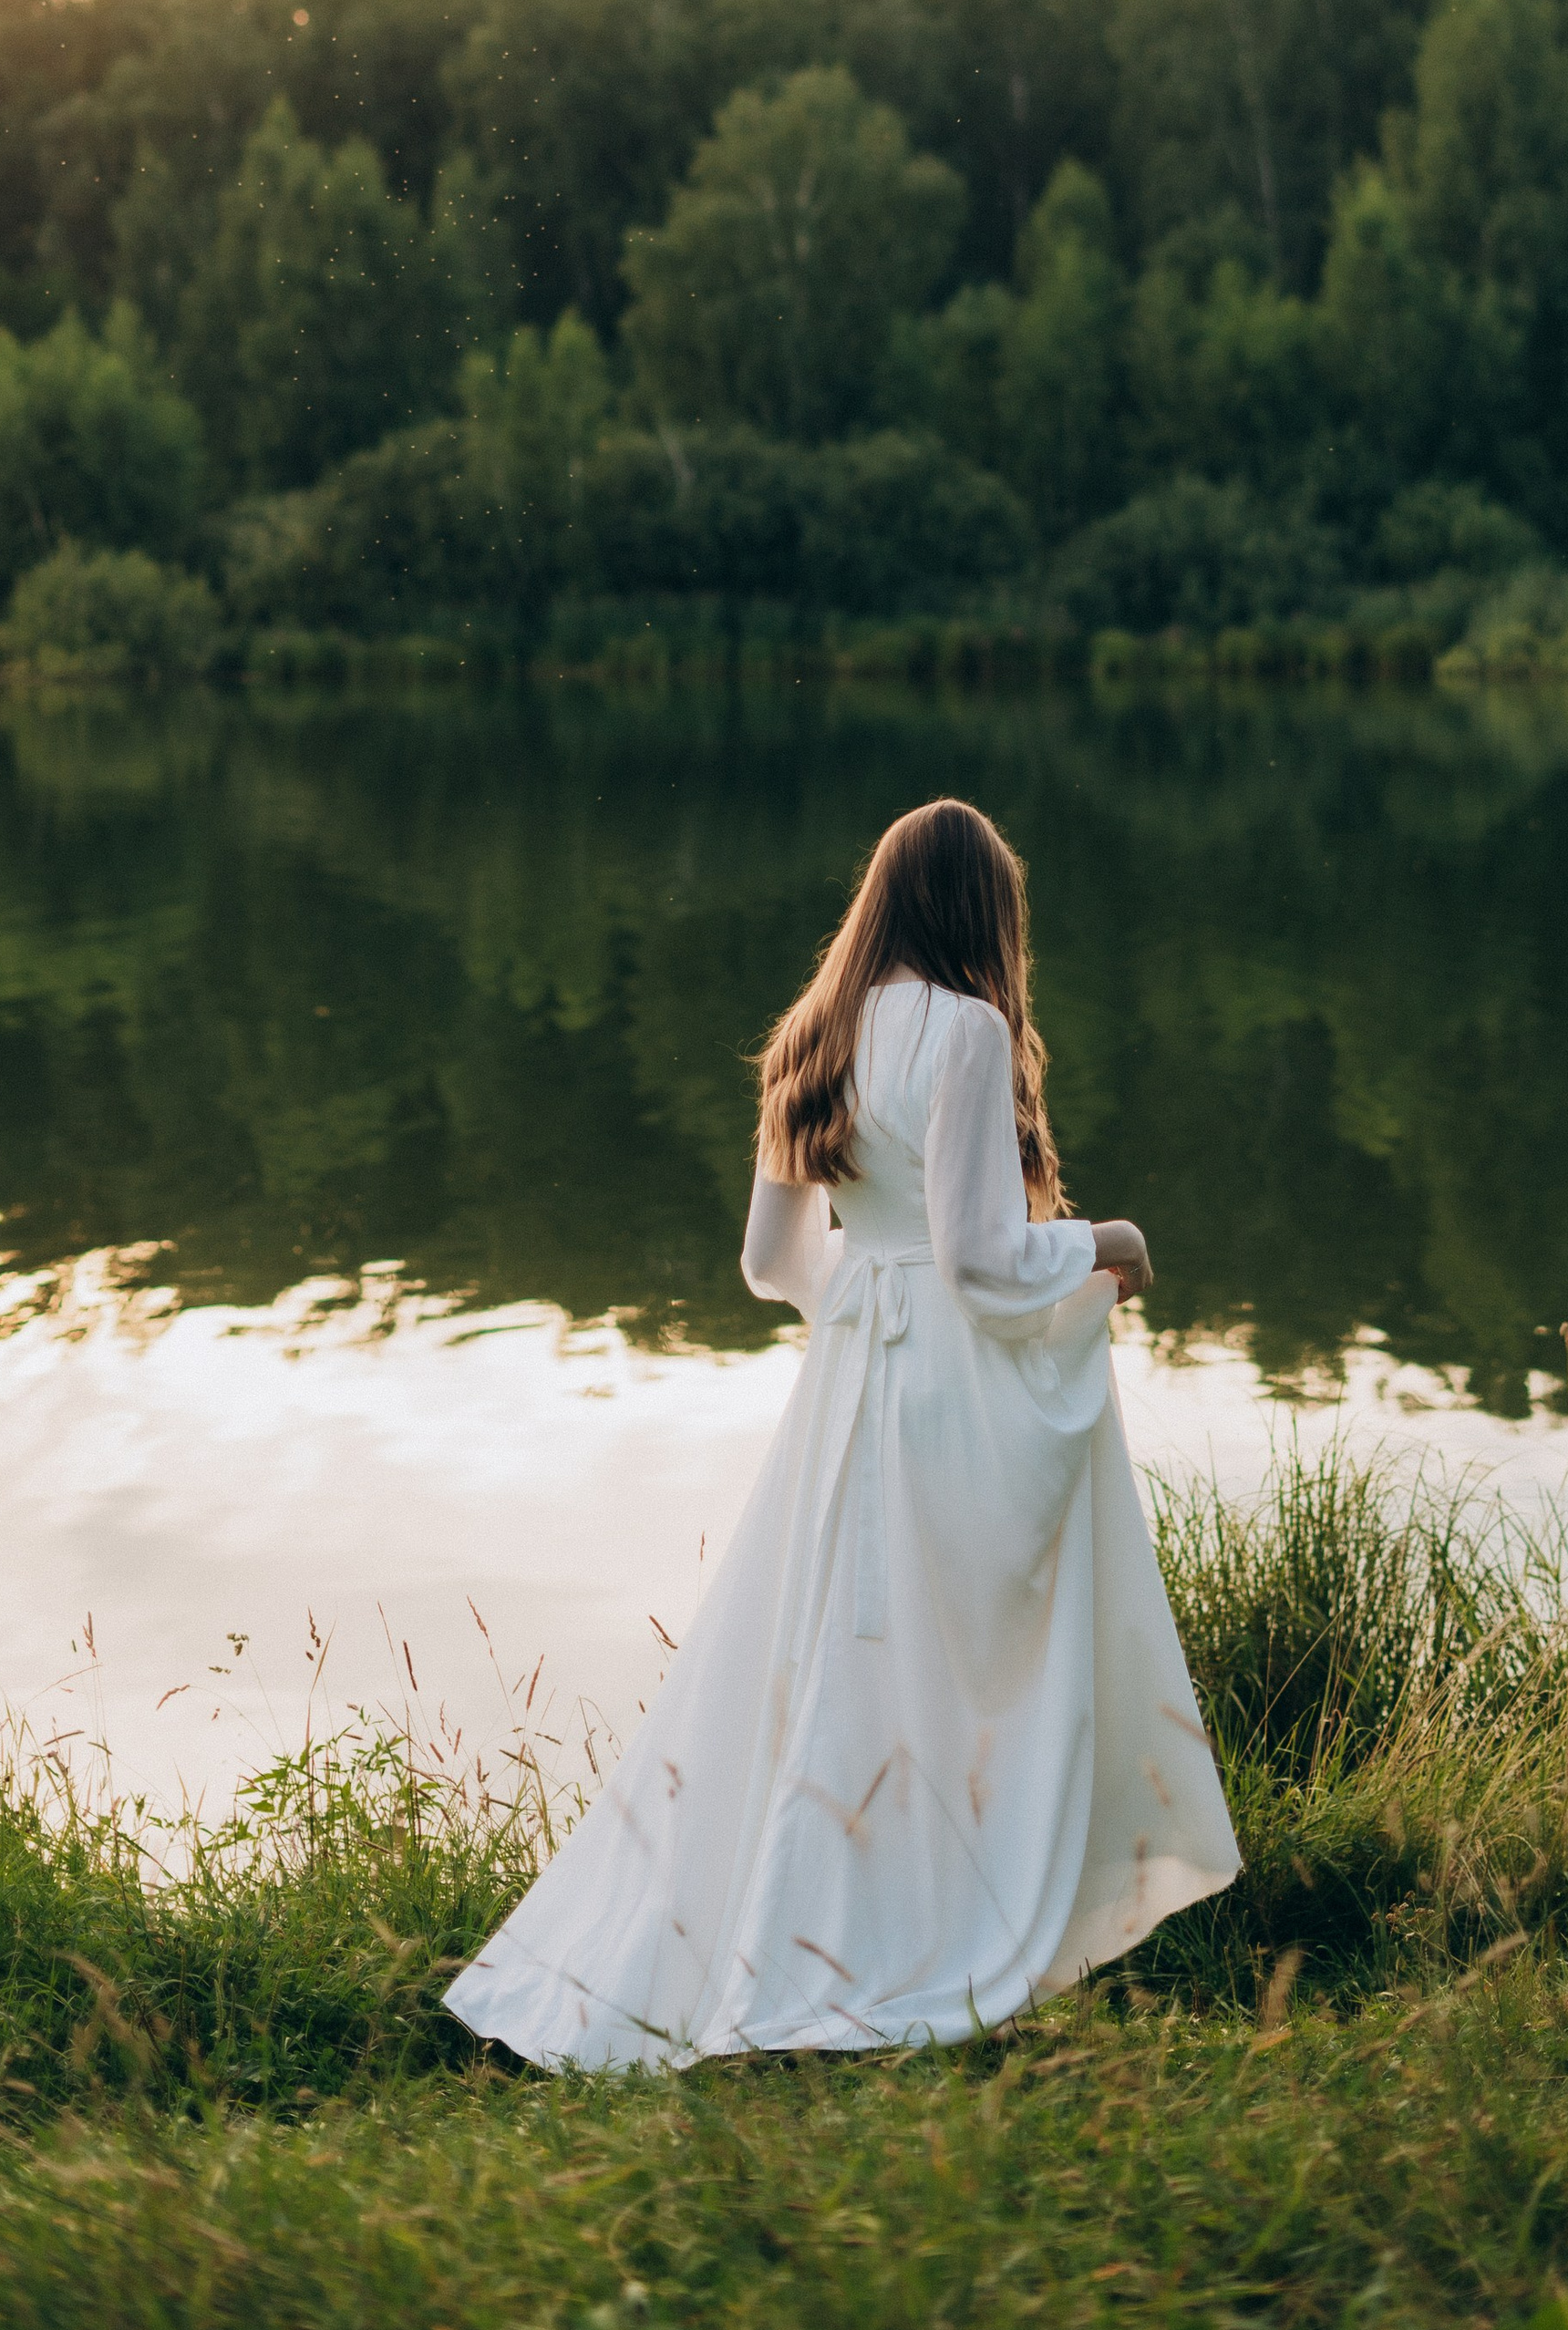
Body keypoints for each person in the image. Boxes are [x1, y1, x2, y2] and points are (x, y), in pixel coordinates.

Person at [445, 796, 1239, 2067]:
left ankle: (764, 1931)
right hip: (943, 1388)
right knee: (965, 1647)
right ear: (979, 912)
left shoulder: (810, 1037)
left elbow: (770, 1262)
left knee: (834, 1654)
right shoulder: (969, 1031)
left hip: (848, 1382)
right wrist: (1108, 1245)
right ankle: (923, 1922)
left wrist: (866, 1312)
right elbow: (978, 1259)